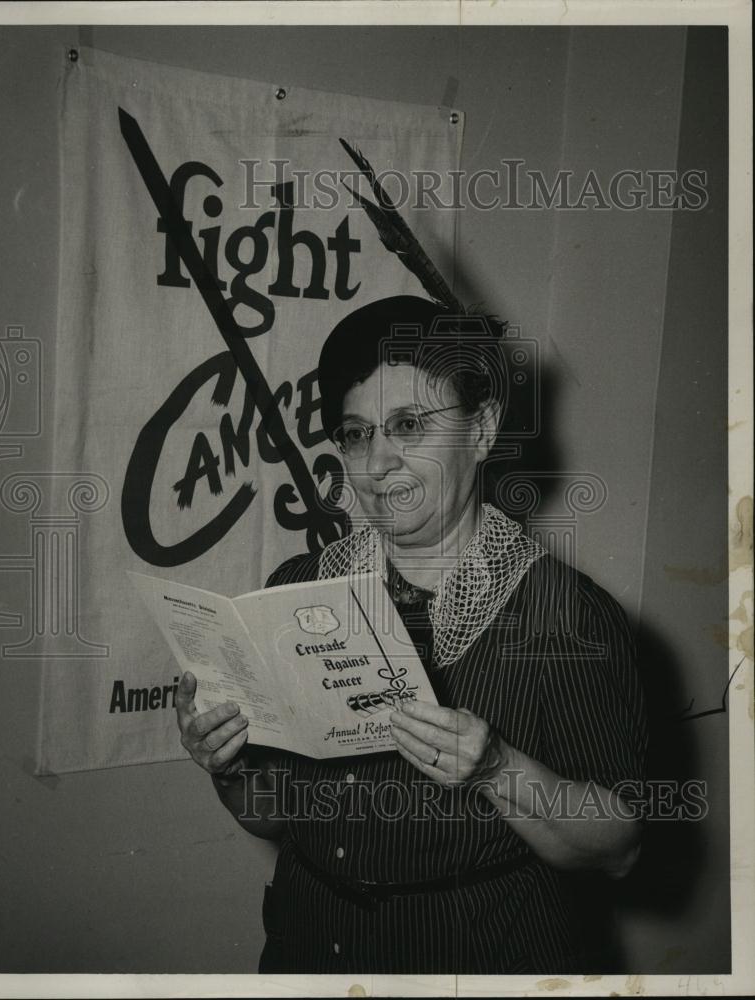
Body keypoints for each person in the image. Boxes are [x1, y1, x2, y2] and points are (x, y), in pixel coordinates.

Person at [175, 295, 648, 974]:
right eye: (356, 433)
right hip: (310, 948)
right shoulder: (297, 589)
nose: (378, 463)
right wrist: (227, 766)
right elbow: (271, 816)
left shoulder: (567, 615)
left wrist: (497, 769)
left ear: (482, 430)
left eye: (408, 425)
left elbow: (619, 849)